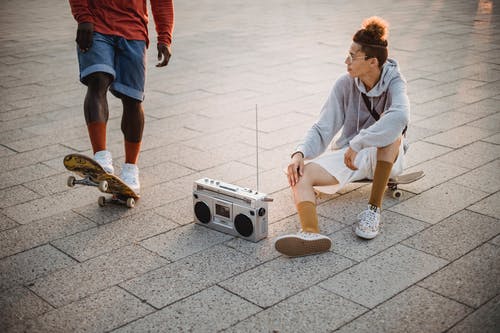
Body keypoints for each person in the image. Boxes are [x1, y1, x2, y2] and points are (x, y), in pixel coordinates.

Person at [274, 17, 409, 257]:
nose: (346, 61)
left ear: (372, 61)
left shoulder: (395, 82)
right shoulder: (344, 84)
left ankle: (373, 211)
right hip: (350, 157)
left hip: (386, 159)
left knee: (392, 136)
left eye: (353, 56)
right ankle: (310, 233)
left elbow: (399, 118)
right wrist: (300, 153)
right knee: (300, 174)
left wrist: (359, 142)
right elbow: (323, 126)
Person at [68, 0, 174, 194]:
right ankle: (101, 157)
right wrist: (83, 17)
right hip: (96, 25)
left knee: (133, 100)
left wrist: (164, 38)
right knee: (97, 80)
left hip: (134, 31)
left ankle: (130, 169)